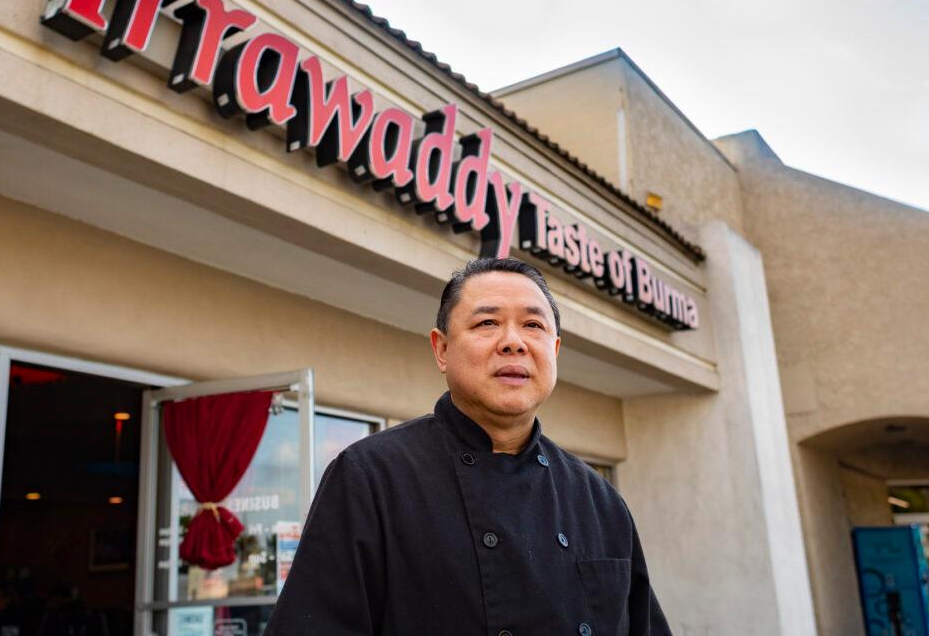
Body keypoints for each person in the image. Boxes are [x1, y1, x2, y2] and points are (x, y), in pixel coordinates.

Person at [264, 257, 671, 635]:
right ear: (441, 349)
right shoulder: (371, 477)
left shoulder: (600, 500)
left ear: (555, 349)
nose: (514, 342)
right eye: (487, 323)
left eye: (533, 326)